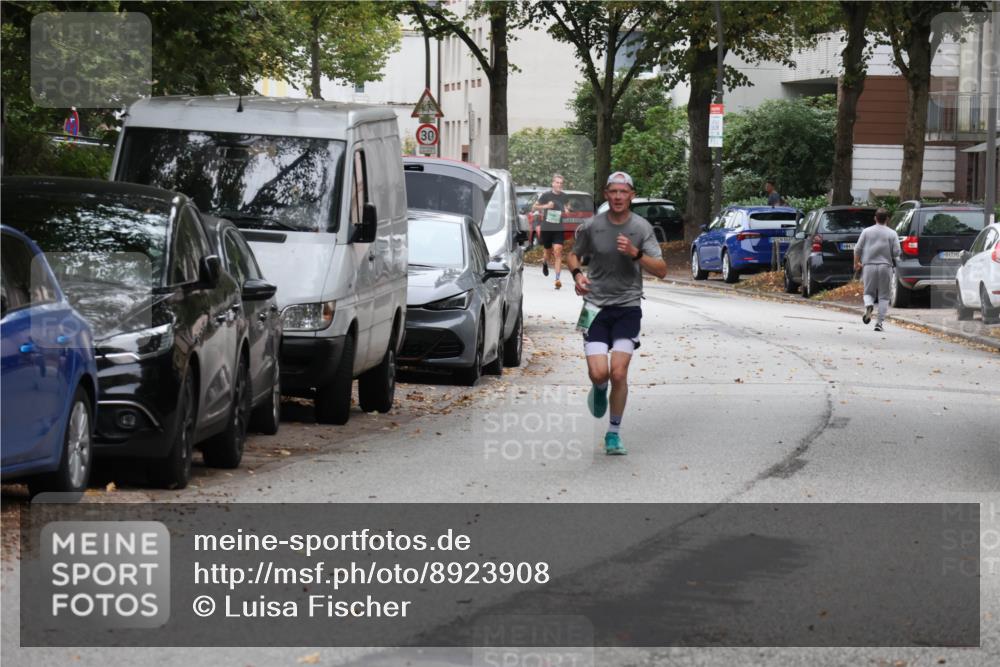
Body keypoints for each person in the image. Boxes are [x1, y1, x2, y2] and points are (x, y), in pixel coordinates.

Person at [566, 171, 667, 455]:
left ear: (632, 195)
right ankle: (599, 388)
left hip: (627, 308)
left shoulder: (642, 228)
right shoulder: (592, 226)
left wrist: (636, 253)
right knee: (600, 374)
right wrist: (577, 275)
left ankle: (613, 434)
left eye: (624, 192)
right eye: (614, 191)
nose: (619, 196)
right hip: (594, 308)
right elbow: (573, 255)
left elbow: (662, 270)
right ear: (606, 194)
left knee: (619, 373)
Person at [854, 207, 901, 333]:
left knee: (868, 292)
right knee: (884, 296)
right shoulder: (892, 233)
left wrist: (856, 263)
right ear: (887, 219)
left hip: (868, 266)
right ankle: (879, 323)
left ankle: (869, 305)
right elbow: (897, 252)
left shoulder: (866, 231)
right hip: (885, 266)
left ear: (875, 218)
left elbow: (857, 249)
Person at [532, 173, 568, 289]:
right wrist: (546, 206)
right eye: (557, 182)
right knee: (547, 252)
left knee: (558, 251)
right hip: (547, 228)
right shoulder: (546, 195)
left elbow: (567, 208)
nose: (559, 185)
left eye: (561, 183)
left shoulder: (564, 196)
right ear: (553, 184)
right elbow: (534, 207)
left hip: (558, 228)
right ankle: (544, 262)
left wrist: (567, 210)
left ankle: (557, 279)